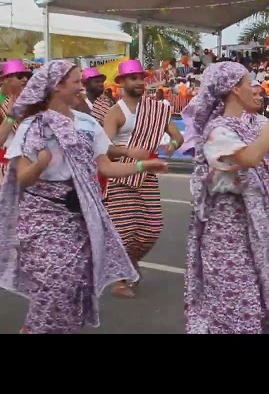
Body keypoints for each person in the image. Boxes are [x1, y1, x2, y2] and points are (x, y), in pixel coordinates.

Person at [0, 60, 168, 334]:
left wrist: (144, 165)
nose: (82, 87)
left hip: (79, 218)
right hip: (42, 218)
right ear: (56, 87)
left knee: (73, 288)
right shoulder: (32, 127)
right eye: (76, 82)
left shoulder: (88, 124)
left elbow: (106, 167)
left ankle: (39, 328)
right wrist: (41, 164)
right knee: (55, 282)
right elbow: (19, 180)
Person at [182, 62, 269, 334]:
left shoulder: (244, 128)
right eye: (250, 83)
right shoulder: (218, 131)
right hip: (226, 235)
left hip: (250, 234)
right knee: (237, 308)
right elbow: (250, 158)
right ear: (235, 89)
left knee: (253, 306)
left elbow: (264, 170)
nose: (256, 88)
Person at [102, 59, 184, 298]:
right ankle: (121, 279)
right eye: (133, 78)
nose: (139, 82)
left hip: (147, 174)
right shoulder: (115, 112)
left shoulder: (157, 109)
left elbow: (176, 135)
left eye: (141, 78)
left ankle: (130, 264)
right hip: (121, 175)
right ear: (122, 82)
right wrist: (127, 151)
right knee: (124, 232)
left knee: (151, 229)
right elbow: (103, 148)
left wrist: (174, 144)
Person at [0, 60, 31, 182]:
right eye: (19, 76)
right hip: (7, 164)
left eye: (27, 76)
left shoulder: (31, 101)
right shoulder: (5, 102)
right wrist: (11, 118)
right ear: (5, 79)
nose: (25, 80)